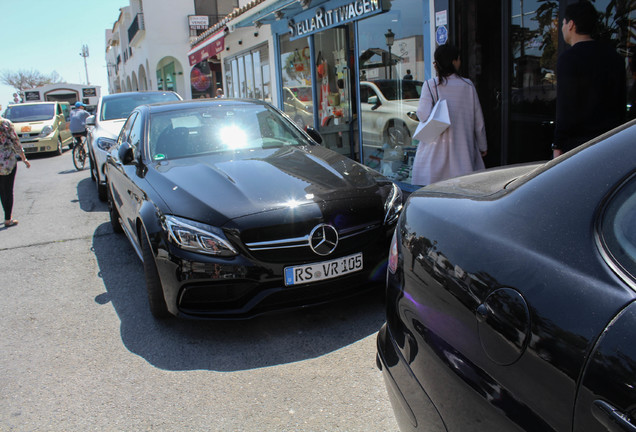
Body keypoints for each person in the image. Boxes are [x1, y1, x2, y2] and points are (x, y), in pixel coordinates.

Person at [552, 1, 626, 157]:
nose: (562, 27)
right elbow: (621, 104)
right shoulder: (615, 58)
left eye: (563, 23)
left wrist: (557, 145)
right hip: (611, 143)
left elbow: (565, 107)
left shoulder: (568, 59)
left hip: (577, 147)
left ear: (571, 24)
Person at [412, 44, 487, 186]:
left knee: (435, 195)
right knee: (462, 192)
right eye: (458, 59)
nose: (460, 62)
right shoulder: (468, 85)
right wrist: (482, 146)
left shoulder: (430, 85)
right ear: (453, 61)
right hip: (462, 153)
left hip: (434, 154)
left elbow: (422, 115)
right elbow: (479, 122)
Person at [0, 115, 30, 227]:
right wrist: (24, 158)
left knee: (2, 191)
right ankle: (8, 218)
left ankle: (7, 217)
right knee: (8, 190)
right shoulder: (6, 123)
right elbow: (16, 142)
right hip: (8, 161)